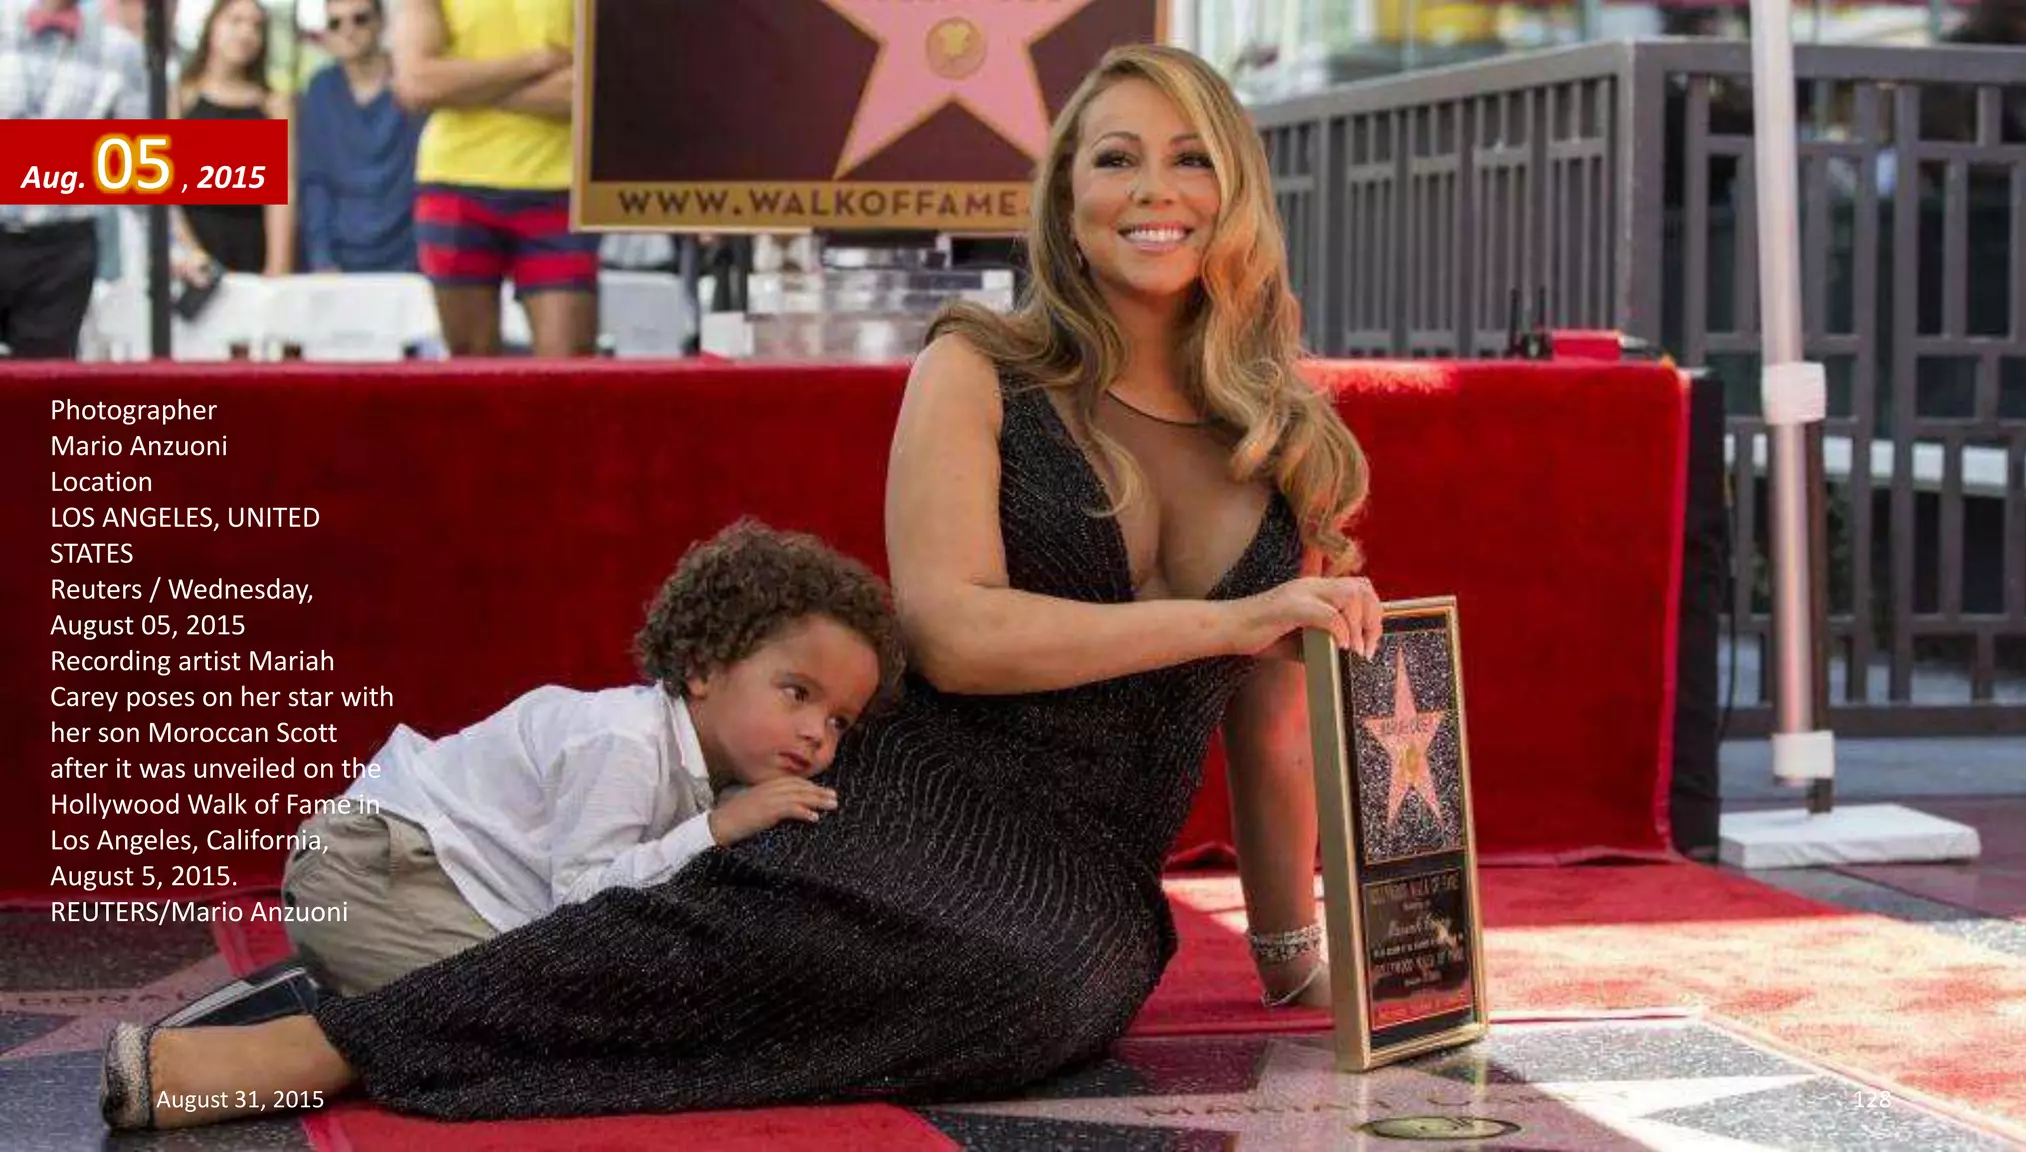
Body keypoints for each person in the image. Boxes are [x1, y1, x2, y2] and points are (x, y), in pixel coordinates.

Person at [100, 43, 1382, 1130]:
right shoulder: (978, 365)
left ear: (1237, 190)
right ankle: (322, 1051)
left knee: (1045, 992)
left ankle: (423, 1010)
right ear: (1066, 195)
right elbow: (956, 632)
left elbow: (1269, 724)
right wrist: (1230, 617)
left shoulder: (1287, 439)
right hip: (925, 786)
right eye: (1113, 157)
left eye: (1188, 156)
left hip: (1092, 873)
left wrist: (1289, 960)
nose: (1152, 190)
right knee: (769, 907)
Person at [145, 519, 902, 1038]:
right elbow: (583, 899)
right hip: (374, 870)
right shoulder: (626, 744)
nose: (816, 732)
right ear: (703, 669)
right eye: (797, 693)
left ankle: (356, 995)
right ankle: (299, 1014)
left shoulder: (713, 769)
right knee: (528, 1016)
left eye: (839, 721)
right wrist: (714, 830)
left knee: (576, 1000)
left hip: (445, 887)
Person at [393, 0, 595, 356]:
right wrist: (538, 61)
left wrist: (465, 89)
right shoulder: (297, 96)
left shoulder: (277, 104)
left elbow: (591, 88)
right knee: (469, 365)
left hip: (558, 186)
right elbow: (418, 85)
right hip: (455, 183)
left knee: (570, 371)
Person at [0, 0, 147, 358]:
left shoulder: (119, 51)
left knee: (42, 386)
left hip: (63, 246)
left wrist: (171, 245)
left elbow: (138, 163)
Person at [172, 0, 294, 284]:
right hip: (194, 249)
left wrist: (277, 267)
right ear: (212, 26)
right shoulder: (181, 97)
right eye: (235, 21)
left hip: (252, 247)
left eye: (256, 26)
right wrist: (190, 251)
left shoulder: (273, 105)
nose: (246, 33)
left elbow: (282, 191)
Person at [298, 0, 425, 273]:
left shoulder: (412, 83)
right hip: (339, 264)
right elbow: (314, 181)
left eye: (360, 19)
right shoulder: (319, 88)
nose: (348, 30)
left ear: (381, 22)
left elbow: (427, 178)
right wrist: (322, 258)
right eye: (336, 23)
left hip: (411, 261)